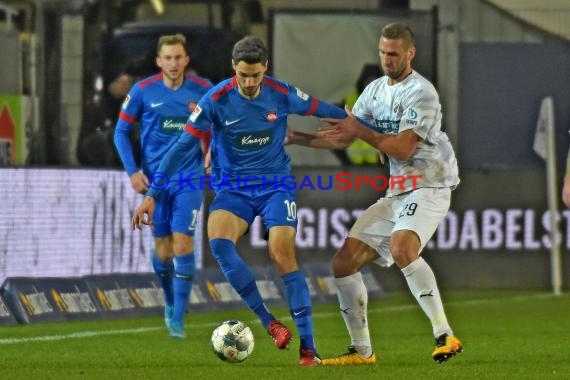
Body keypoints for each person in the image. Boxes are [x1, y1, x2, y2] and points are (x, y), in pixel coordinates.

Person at [131, 35, 347, 366]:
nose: (248, 82)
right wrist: (152, 194)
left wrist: (358, 125)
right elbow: (180, 148)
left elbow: (326, 109)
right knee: (219, 243)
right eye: (243, 75)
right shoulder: (215, 99)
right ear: (234, 67)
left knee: (281, 254)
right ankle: (269, 322)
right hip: (232, 191)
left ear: (265, 69)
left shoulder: (282, 93)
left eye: (255, 75)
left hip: (276, 186)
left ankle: (308, 347)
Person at [288, 22, 462, 365]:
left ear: (410, 53)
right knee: (343, 263)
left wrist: (360, 129)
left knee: (402, 247)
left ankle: (445, 334)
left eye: (393, 53)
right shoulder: (375, 91)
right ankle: (362, 352)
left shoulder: (421, 93)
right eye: (383, 52)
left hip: (430, 183)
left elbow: (401, 148)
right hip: (398, 191)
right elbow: (344, 137)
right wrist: (297, 138)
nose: (386, 59)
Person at [114, 34, 213, 339]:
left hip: (189, 178)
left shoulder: (204, 90)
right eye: (167, 58)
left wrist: (211, 152)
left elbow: (217, 127)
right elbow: (120, 132)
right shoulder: (143, 91)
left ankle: (179, 320)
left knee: (183, 245)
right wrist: (132, 172)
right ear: (159, 62)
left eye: (178, 57)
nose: (173, 63)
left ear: (186, 60)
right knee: (163, 251)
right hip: (155, 182)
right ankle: (170, 301)